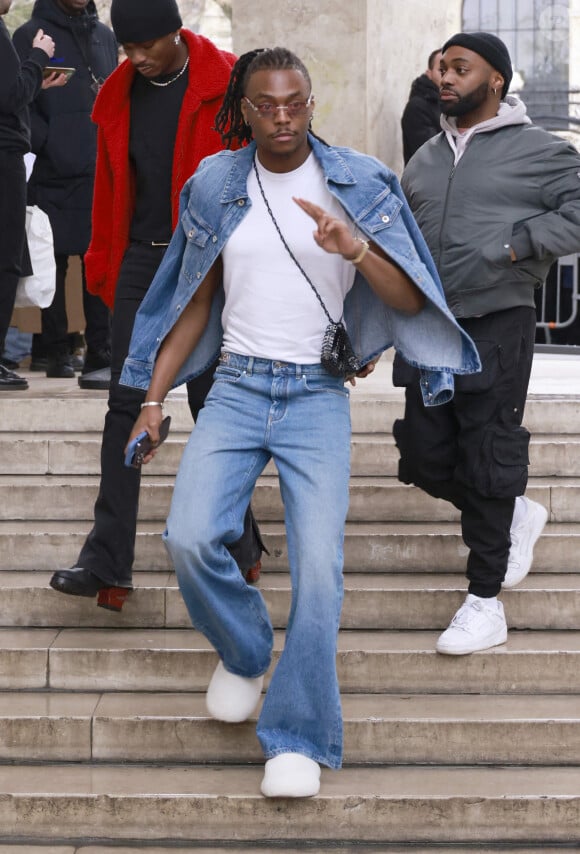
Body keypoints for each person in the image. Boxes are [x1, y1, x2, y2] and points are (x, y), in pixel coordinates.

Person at [120, 47, 479, 798]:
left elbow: (410, 301)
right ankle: (248, 650)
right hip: (239, 389)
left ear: (311, 102)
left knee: (320, 573)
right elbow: (192, 301)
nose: (282, 116)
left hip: (317, 395)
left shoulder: (359, 181)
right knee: (188, 535)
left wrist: (357, 248)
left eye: (295, 102)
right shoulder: (216, 183)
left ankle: (297, 735)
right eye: (265, 104)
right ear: (243, 108)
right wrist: (153, 400)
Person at [49, 0, 264, 611]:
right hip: (143, 259)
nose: (137, 59)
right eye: (127, 48)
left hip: (209, 257)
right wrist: (105, 261)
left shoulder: (229, 82)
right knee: (126, 400)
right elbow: (112, 186)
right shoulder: (119, 91)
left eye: (147, 47)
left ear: (177, 33)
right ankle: (106, 561)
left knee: (209, 400)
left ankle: (241, 545)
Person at [398, 32, 580, 656]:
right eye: (441, 67)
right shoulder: (423, 158)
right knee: (423, 457)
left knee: (485, 453)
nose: (444, 77)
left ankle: (484, 603)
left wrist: (519, 244)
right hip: (428, 327)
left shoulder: (537, 151)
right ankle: (516, 511)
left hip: (497, 320)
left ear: (495, 79)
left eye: (459, 68)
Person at [12, 0, 116, 381]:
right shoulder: (29, 35)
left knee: (98, 261)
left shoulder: (105, 35)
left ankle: (100, 351)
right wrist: (48, 141)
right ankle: (54, 352)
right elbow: (20, 99)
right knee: (49, 262)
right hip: (51, 169)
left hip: (98, 172)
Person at [0, 0, 64, 390]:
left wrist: (35, 80)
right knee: (6, 260)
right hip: (4, 156)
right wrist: (38, 56)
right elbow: (10, 97)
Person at [401, 47, 442, 164]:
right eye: (442, 70)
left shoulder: (456, 103)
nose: (447, 76)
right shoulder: (417, 107)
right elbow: (432, 154)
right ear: (429, 73)